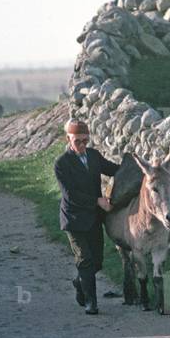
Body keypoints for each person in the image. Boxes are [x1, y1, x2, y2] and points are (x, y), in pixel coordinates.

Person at [54, 119, 120, 314]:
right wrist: (97, 201)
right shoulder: (62, 164)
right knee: (85, 260)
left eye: (85, 140)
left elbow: (114, 169)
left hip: (93, 219)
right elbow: (70, 195)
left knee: (97, 261)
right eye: (78, 141)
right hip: (74, 219)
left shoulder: (93, 156)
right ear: (68, 139)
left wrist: (135, 164)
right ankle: (92, 303)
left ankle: (80, 281)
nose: (82, 145)